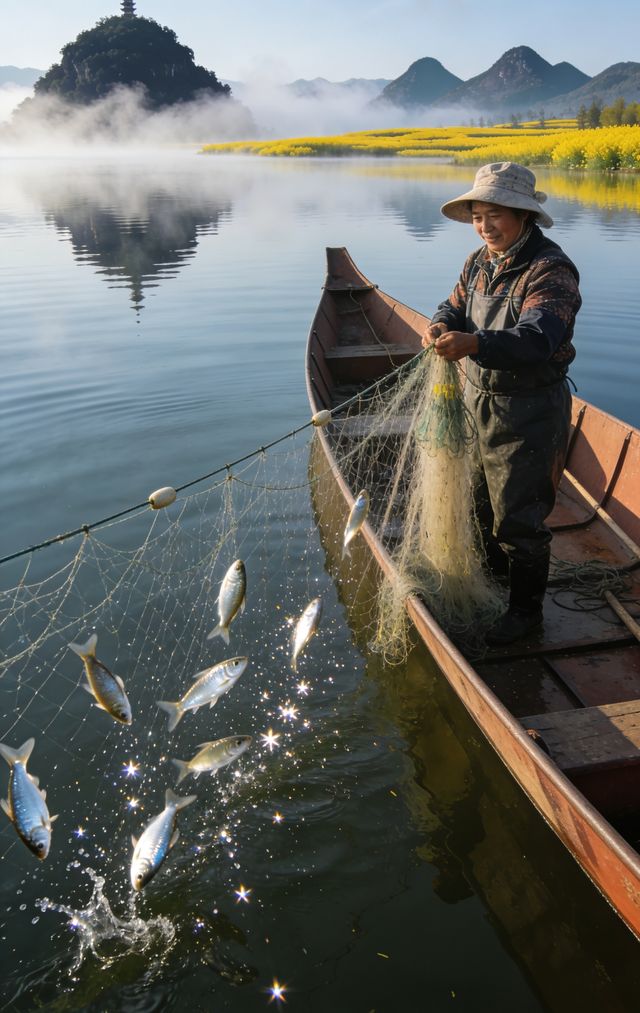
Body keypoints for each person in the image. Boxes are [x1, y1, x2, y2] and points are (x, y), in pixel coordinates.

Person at [422, 161, 581, 646]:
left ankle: (525, 613)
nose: (485, 226)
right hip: (478, 402)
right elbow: (454, 305)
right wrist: (440, 324)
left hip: (529, 413)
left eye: (495, 215)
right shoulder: (478, 262)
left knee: (519, 518)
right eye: (477, 216)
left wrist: (474, 344)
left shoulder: (550, 270)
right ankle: (492, 583)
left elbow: (537, 337)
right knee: (479, 502)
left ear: (523, 215)